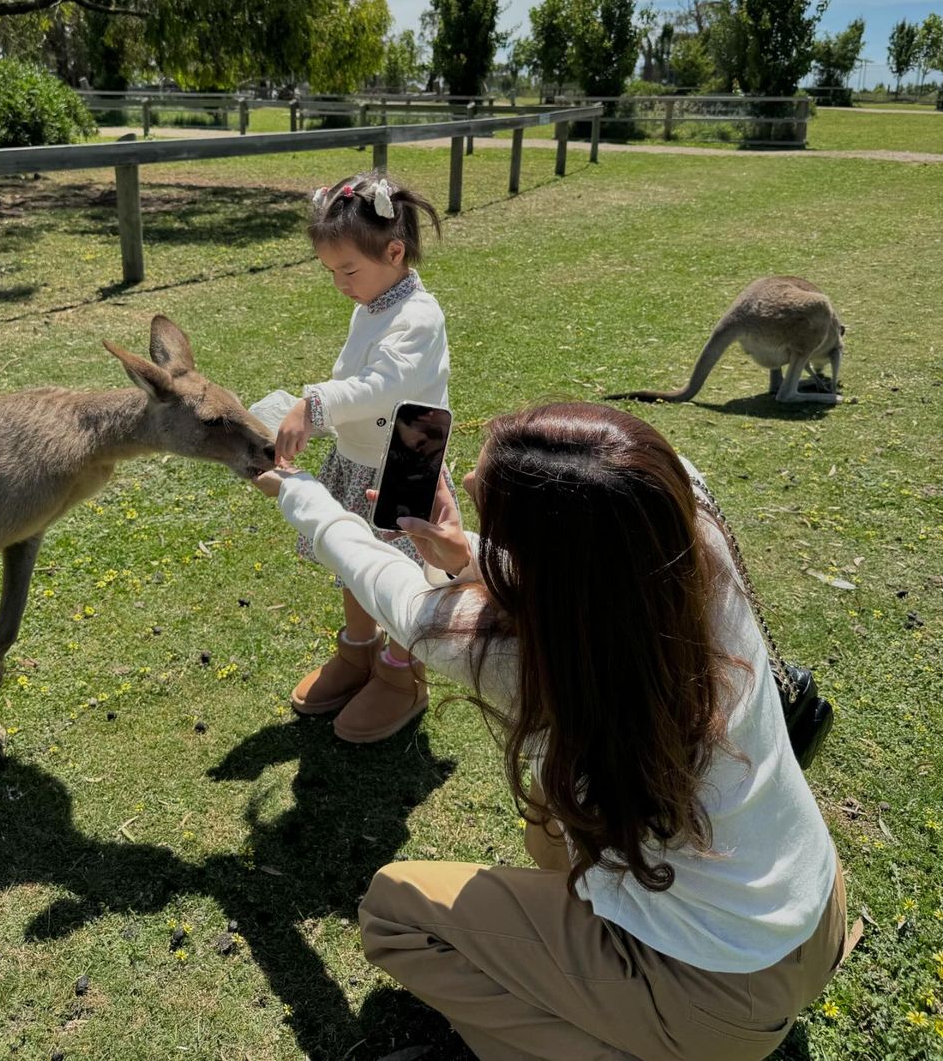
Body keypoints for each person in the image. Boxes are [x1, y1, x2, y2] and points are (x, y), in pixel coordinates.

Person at [253, 402, 854, 1059]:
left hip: (713, 1000)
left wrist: (301, 494)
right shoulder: (689, 531)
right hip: (816, 910)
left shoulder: (518, 660)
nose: (469, 489)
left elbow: (383, 581)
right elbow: (595, 564)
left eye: (485, 499)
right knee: (551, 803)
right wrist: (469, 555)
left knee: (395, 913)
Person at [271, 171, 452, 743]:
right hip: (359, 457)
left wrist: (314, 403)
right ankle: (358, 651)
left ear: (394, 252)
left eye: (348, 271)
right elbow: (358, 376)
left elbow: (382, 387)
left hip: (405, 461)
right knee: (353, 560)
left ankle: (403, 672)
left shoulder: (418, 317)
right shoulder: (372, 303)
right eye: (331, 272)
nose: (340, 285)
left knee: (402, 571)